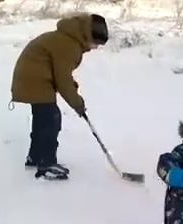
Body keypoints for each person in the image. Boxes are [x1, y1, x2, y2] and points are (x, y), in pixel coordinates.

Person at [10, 13, 109, 180]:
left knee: (43, 119)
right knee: (50, 120)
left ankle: (35, 157)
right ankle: (46, 164)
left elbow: (63, 75)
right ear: (88, 35)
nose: (95, 48)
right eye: (96, 43)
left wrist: (73, 92)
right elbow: (62, 79)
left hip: (34, 78)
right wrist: (76, 103)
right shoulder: (68, 45)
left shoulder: (67, 39)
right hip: (36, 80)